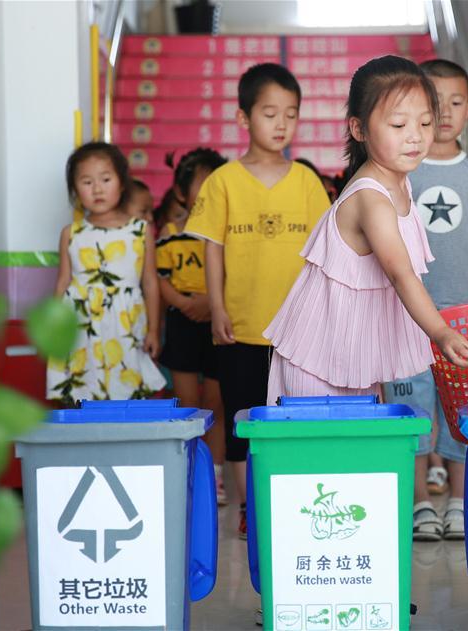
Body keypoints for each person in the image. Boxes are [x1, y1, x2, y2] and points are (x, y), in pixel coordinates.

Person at [263, 53, 468, 416]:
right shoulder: (371, 197)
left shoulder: (400, 183)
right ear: (359, 129)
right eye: (398, 124)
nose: (415, 136)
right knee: (319, 450)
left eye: (425, 122)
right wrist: (441, 333)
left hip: (353, 356)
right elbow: (401, 274)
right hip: (317, 361)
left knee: (361, 449)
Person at [184, 63, 330, 539]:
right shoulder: (223, 181)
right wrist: (218, 308)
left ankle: (293, 502)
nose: (282, 124)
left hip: (297, 330)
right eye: (270, 113)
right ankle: (251, 507)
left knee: (294, 420)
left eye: (291, 113)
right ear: (243, 118)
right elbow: (213, 248)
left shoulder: (306, 181)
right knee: (243, 421)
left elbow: (322, 253)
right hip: (242, 327)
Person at [378, 58, 468, 542]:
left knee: (462, 411)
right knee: (411, 412)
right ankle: (419, 503)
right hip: (405, 318)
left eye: (455, 102)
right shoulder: (400, 169)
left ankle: (457, 501)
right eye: (435, 102)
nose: (445, 112)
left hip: (466, 319)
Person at [47, 142, 166, 404]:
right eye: (87, 182)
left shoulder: (140, 230)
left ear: (122, 184)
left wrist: (154, 330)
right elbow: (63, 282)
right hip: (80, 325)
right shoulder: (71, 233)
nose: (97, 189)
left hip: (125, 324)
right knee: (81, 394)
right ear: (75, 189)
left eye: (105, 179)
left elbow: (150, 283)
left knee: (127, 392)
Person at [157, 147, 229, 505]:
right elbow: (160, 278)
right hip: (182, 323)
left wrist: (211, 304)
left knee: (216, 402)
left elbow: (233, 277)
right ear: (181, 192)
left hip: (218, 321)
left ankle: (214, 475)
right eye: (202, 185)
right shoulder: (170, 232)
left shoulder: (227, 235)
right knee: (187, 403)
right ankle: (186, 471)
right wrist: (185, 303)